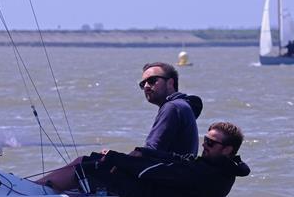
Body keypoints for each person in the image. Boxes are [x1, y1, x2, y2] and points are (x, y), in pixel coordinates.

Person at [37, 62, 202, 190]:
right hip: (169, 176)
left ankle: (33, 190)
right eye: (142, 84)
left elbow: (149, 152)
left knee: (83, 163)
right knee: (96, 162)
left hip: (159, 180)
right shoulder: (183, 105)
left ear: (170, 83)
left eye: (152, 81)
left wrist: (115, 159)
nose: (146, 86)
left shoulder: (172, 108)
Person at [75, 122, 250, 197]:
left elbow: (155, 172)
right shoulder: (221, 168)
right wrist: (142, 152)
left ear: (227, 150)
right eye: (205, 139)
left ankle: (47, 188)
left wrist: (114, 157)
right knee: (101, 162)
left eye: (211, 143)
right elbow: (178, 160)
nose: (204, 145)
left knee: (84, 164)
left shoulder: (208, 174)